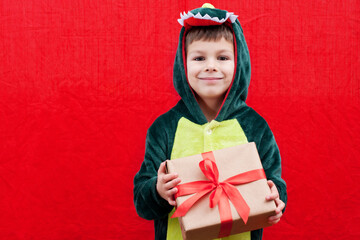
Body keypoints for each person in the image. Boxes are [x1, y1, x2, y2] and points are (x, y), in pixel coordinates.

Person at [133, 3, 287, 240]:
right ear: (183, 63)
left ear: (239, 62)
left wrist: (276, 198)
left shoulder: (256, 127)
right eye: (199, 58)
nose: (211, 66)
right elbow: (142, 203)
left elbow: (274, 182)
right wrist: (158, 190)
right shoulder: (164, 128)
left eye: (223, 57)